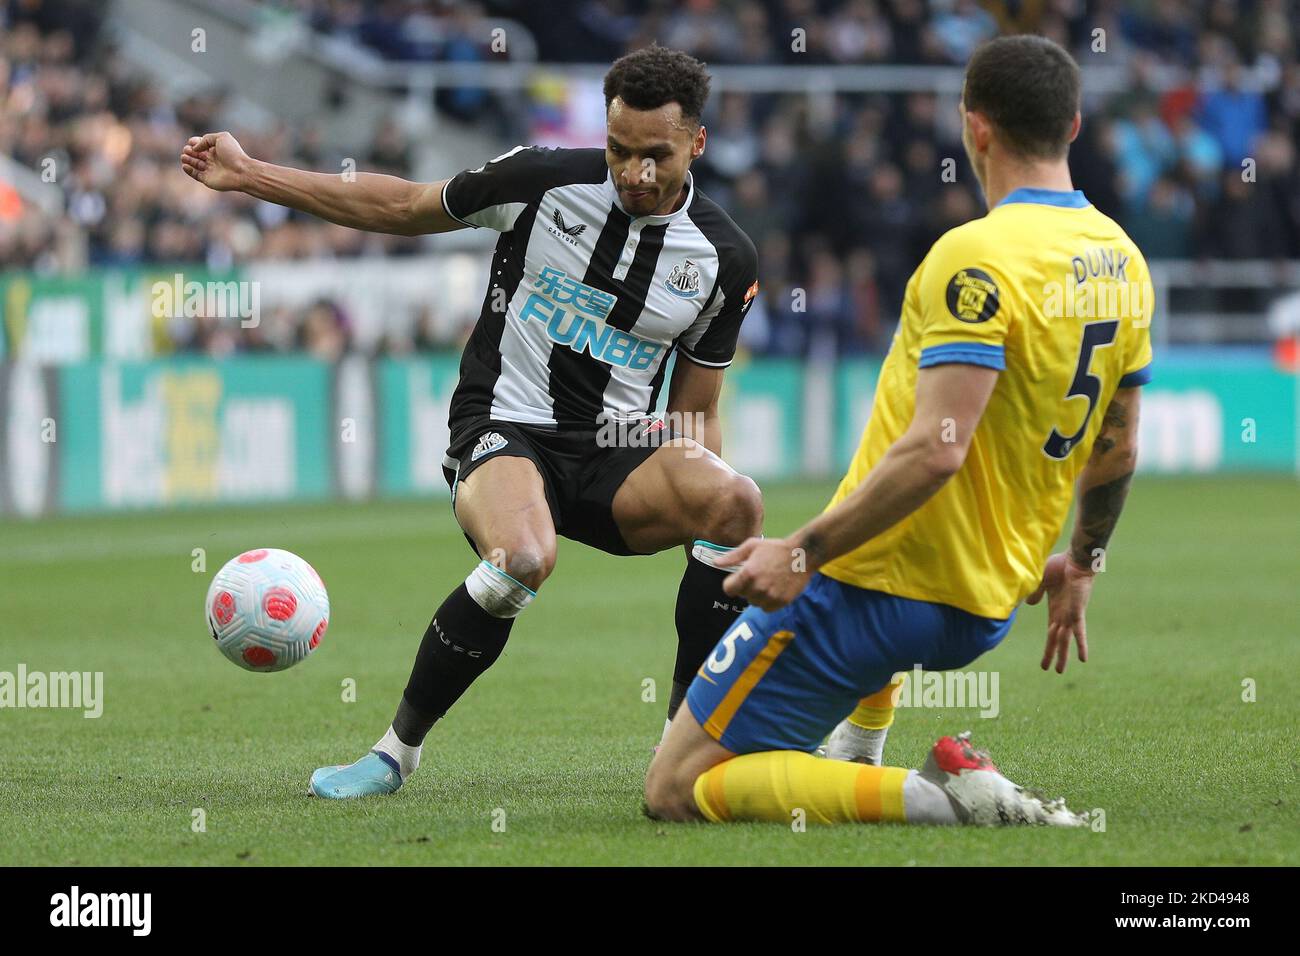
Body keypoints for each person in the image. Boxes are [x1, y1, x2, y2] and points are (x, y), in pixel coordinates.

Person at [181, 46, 761, 799]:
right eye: (620, 151)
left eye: (656, 156)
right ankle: (395, 753)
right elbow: (400, 206)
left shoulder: (723, 258)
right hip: (504, 424)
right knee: (523, 554)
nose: (633, 173)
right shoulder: (543, 180)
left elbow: (694, 415)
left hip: (613, 450)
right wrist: (252, 173)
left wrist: (707, 516)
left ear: (697, 145)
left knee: (736, 501)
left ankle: (682, 747)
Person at [644, 34, 1153, 826]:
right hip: (986, 604)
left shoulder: (975, 257)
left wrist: (801, 551)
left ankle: (945, 799)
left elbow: (936, 451)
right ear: (1076, 126)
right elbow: (1118, 444)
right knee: (844, 690)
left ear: (973, 128)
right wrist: (1083, 561)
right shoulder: (1123, 261)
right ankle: (862, 753)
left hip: (883, 584)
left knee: (675, 787)